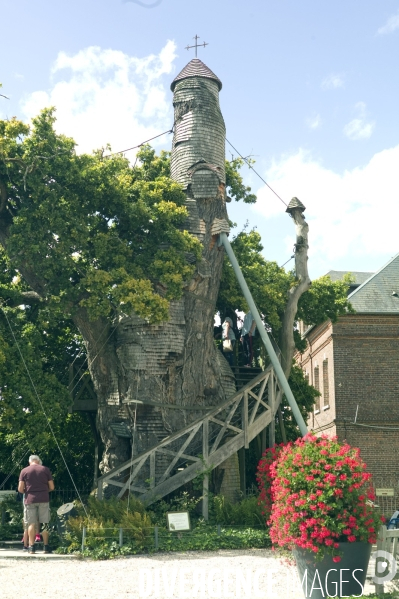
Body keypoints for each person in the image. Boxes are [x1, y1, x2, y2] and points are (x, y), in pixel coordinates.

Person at [18, 455, 55, 554]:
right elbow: (52, 487)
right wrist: (44, 490)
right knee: (44, 523)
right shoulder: (45, 470)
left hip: (30, 500)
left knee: (31, 524)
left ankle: (31, 547)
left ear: (30, 461)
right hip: (43, 498)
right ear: (38, 461)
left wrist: (28, 491)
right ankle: (46, 547)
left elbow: (20, 489)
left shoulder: (24, 471)